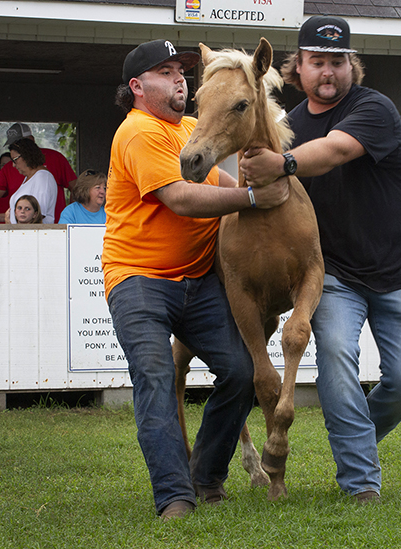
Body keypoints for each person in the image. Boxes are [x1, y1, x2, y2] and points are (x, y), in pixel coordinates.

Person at [239, 15, 401, 503]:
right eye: (318, 62)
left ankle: (354, 443)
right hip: (333, 275)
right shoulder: (287, 126)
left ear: (353, 65)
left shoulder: (375, 108)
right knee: (338, 365)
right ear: (297, 69)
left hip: (398, 269)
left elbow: (335, 150)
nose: (329, 71)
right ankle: (359, 482)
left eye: (338, 62)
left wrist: (281, 162)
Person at [102, 39, 290, 521]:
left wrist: (264, 187)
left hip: (198, 281)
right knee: (157, 378)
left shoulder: (190, 130)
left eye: (181, 69)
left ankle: (206, 475)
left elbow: (230, 187)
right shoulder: (138, 132)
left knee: (241, 372)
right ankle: (175, 498)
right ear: (138, 87)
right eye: (165, 71)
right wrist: (251, 201)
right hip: (138, 280)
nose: (179, 77)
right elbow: (182, 199)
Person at [0, 123, 76, 222]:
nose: (13, 164)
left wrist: (70, 219)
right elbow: (23, 213)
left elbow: (36, 217)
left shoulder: (45, 174)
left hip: (41, 234)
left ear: (30, 144)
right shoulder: (25, 174)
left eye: (20, 145)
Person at [0, 139, 57, 224]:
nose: (13, 165)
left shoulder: (42, 178)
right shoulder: (30, 177)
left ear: (26, 156)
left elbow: (38, 215)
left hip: (31, 235)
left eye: (15, 159)